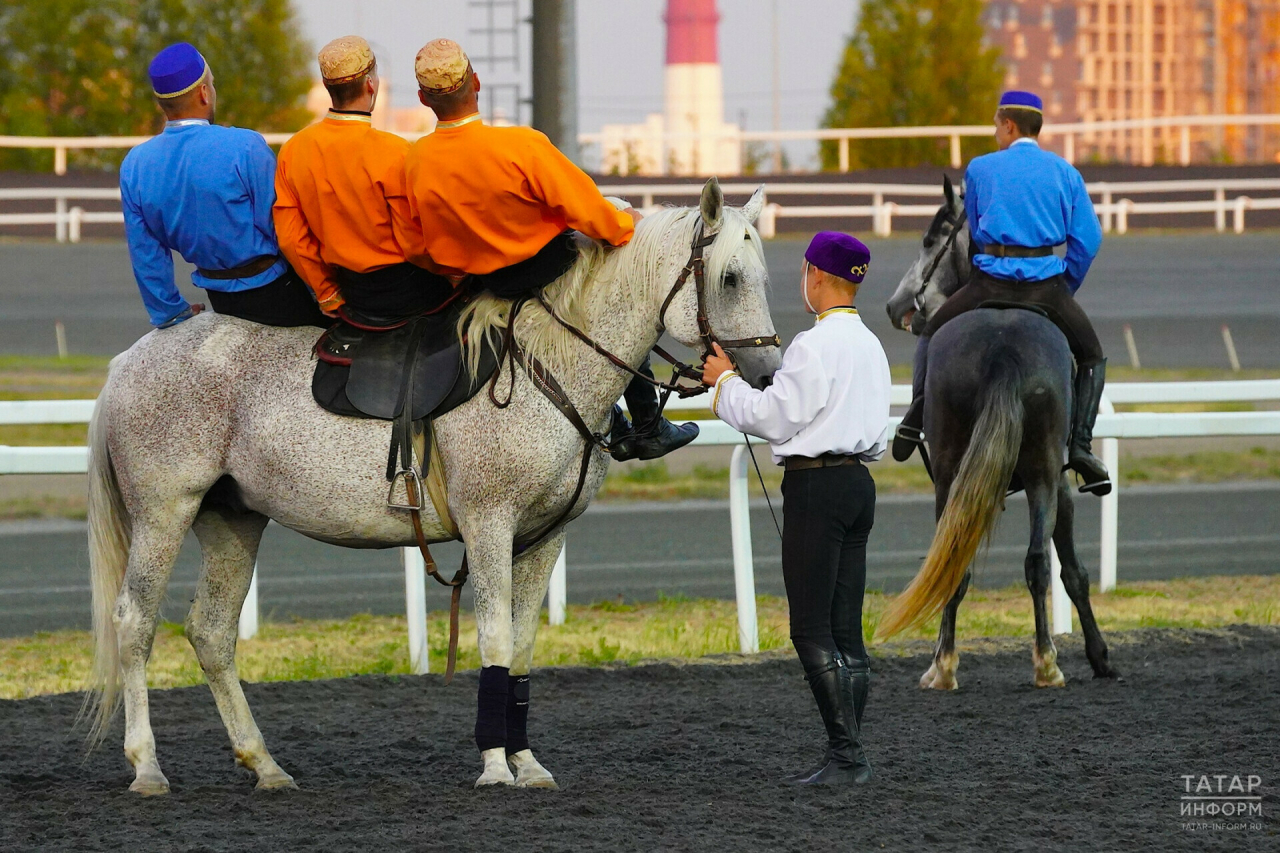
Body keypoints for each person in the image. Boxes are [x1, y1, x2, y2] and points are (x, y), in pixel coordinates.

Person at [403, 38, 697, 462]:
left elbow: (418, 245)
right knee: (626, 284)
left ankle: (612, 419)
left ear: (423, 99)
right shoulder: (522, 145)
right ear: (477, 83)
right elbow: (590, 213)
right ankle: (648, 423)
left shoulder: (415, 161)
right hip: (554, 272)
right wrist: (625, 224)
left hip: (484, 291)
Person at [702, 232, 890, 786]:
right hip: (860, 485)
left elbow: (774, 418)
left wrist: (723, 385)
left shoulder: (813, 345)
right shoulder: (871, 345)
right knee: (845, 630)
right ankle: (848, 753)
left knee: (810, 630)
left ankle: (847, 756)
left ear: (815, 276)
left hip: (816, 490)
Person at [892, 90, 1110, 495]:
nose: (995, 133)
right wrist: (1066, 283)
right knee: (1092, 356)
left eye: (996, 126)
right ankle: (1080, 446)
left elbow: (973, 227)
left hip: (988, 283)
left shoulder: (980, 169)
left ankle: (916, 415)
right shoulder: (1066, 173)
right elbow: (1089, 239)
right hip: (1046, 287)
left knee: (932, 332)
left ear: (1009, 125)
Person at [120, 42, 327, 330]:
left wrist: (169, 311)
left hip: (217, 297)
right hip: (280, 294)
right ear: (204, 93)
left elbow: (146, 253)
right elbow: (282, 230)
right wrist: (325, 290)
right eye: (212, 85)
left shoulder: (135, 164)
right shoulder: (245, 146)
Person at [274, 36, 453, 326]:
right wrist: (454, 275)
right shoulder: (395, 151)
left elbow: (291, 238)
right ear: (371, 85)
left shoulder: (294, 150)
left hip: (349, 292)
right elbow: (415, 245)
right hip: (407, 292)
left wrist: (327, 293)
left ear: (328, 86)